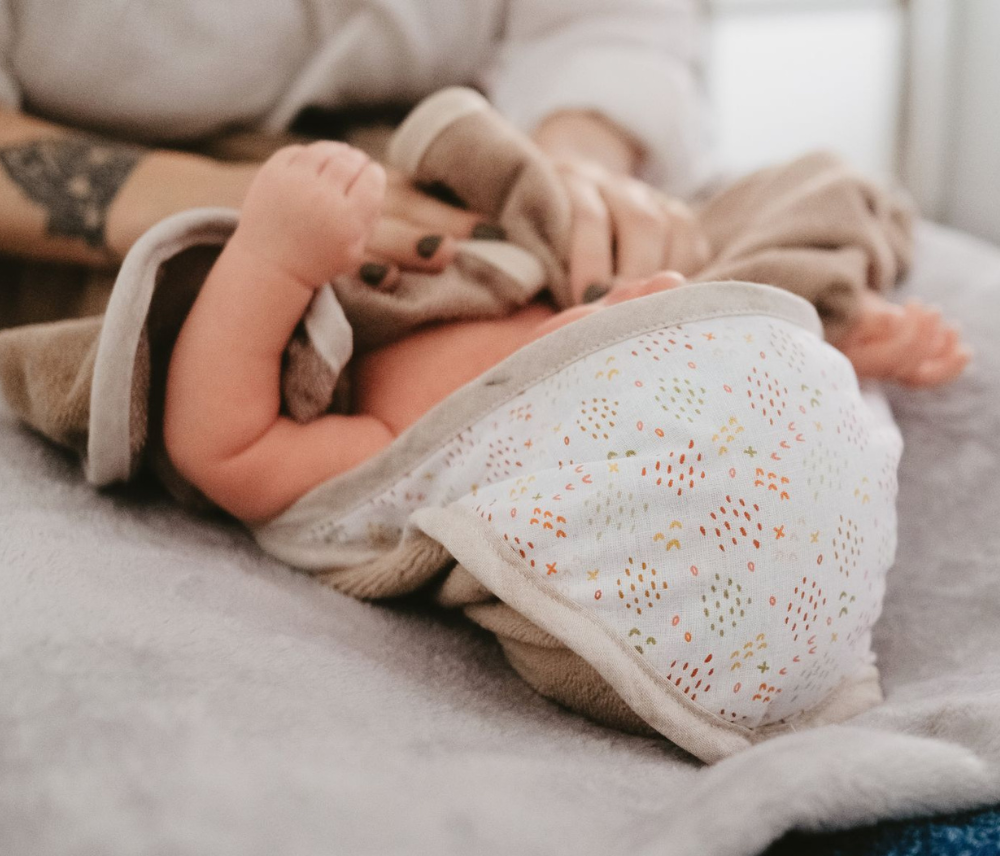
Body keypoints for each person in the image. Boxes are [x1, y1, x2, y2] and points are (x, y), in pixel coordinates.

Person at [162, 139, 972, 525]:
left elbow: (224, 449)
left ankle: (789, 322)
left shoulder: (411, 442)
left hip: (344, 247)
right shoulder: (659, 299)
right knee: (826, 185)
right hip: (543, 237)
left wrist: (269, 255)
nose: (655, 302)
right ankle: (810, 314)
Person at [0, 0, 710, 306]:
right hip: (128, 197)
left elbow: (604, 29)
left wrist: (573, 168)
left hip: (457, 145)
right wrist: (245, 208)